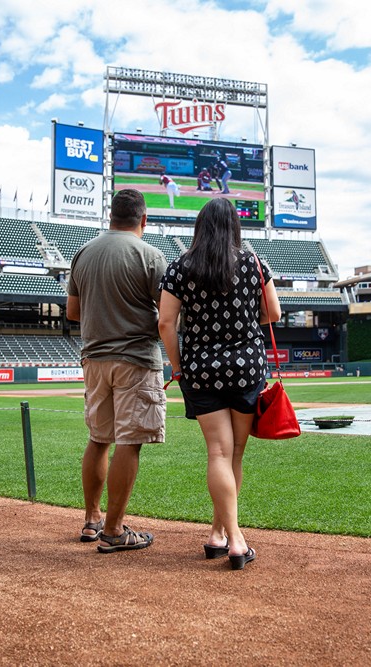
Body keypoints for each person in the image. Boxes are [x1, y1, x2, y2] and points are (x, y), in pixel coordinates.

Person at [158, 197, 282, 570]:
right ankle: (236, 540)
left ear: (200, 226)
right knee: (235, 454)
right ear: (234, 227)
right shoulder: (254, 262)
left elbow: (165, 323)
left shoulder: (180, 267)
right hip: (246, 367)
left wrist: (177, 367)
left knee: (218, 453)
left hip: (201, 369)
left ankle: (219, 534)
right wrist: (243, 318)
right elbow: (274, 313)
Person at [66, 189, 167, 554]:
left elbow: (73, 312)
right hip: (136, 359)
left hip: (94, 358)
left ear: (110, 216)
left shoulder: (84, 252)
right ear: (144, 219)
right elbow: (168, 316)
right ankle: (114, 529)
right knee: (129, 441)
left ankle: (92, 520)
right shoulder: (150, 255)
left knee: (98, 438)